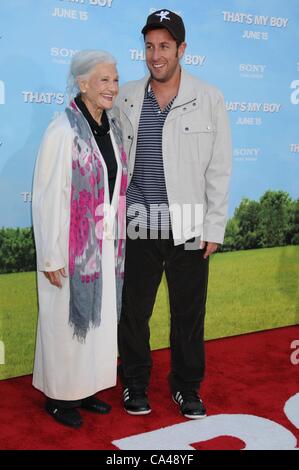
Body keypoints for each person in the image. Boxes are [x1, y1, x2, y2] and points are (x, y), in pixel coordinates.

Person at [117, 10, 232, 419]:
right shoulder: (126, 95)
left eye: (164, 46)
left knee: (188, 314)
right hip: (137, 223)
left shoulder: (209, 97)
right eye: (149, 46)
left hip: (188, 225)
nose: (155, 54)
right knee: (134, 313)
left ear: (182, 49)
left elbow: (219, 168)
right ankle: (134, 383)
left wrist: (214, 226)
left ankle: (186, 387)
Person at [32, 50, 127, 428]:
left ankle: (85, 389)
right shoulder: (62, 130)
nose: (112, 87)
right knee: (64, 323)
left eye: (115, 79)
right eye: (103, 80)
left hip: (104, 246)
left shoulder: (111, 128)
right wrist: (52, 255)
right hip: (70, 250)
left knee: (96, 323)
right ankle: (58, 397)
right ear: (82, 84)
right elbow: (47, 196)